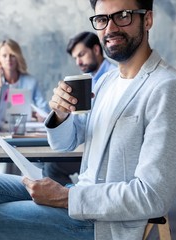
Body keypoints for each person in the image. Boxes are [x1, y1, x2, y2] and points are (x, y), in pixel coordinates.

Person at [0, 0, 176, 239]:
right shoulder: (106, 82)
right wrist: (61, 115)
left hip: (102, 223)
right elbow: (66, 144)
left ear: (147, 19)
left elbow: (152, 196)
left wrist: (65, 198)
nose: (111, 28)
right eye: (102, 19)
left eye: (123, 16)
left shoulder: (169, 88)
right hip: (77, 195)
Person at [43, 31, 117, 185]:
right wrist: (61, 115)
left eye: (81, 55)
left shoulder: (115, 77)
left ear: (96, 50)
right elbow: (80, 123)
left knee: (52, 167)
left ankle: (65, 199)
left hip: (106, 153)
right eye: (75, 58)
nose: (78, 62)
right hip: (86, 145)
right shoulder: (89, 79)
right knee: (48, 164)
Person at [0, 38, 50, 123]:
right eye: (4, 55)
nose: (8, 59)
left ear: (18, 57)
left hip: (24, 129)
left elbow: (45, 111)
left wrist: (37, 115)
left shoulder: (31, 81)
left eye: (12, 55)